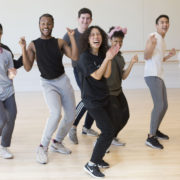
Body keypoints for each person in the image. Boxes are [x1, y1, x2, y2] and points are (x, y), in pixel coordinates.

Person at [19, 14, 78, 164]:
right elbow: (27, 67)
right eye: (43, 23)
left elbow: (75, 57)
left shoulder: (59, 42)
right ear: (39, 25)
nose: (46, 26)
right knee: (56, 113)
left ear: (53, 25)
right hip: (47, 83)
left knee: (71, 116)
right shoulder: (33, 45)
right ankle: (42, 146)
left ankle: (57, 142)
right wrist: (23, 48)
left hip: (62, 81)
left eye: (49, 24)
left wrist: (72, 38)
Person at [77, 26, 119, 178]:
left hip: (103, 97)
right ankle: (91, 164)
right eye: (92, 34)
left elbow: (106, 74)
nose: (96, 37)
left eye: (99, 34)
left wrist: (108, 58)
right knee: (107, 131)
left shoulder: (102, 55)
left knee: (110, 129)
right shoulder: (84, 57)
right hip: (92, 100)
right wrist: (107, 58)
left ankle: (99, 158)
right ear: (88, 39)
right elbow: (96, 76)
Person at [63, 8, 98, 145]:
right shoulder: (72, 33)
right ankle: (73, 126)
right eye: (82, 18)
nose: (85, 21)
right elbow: (62, 48)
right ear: (78, 19)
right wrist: (73, 57)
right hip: (79, 70)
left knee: (95, 97)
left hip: (92, 70)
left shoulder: (92, 33)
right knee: (87, 97)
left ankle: (87, 127)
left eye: (88, 18)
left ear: (91, 20)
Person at [144, 14, 176, 149]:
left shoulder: (162, 39)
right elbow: (146, 55)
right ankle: (151, 137)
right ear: (157, 25)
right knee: (159, 105)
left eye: (166, 22)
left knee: (165, 105)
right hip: (152, 75)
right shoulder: (153, 36)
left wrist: (169, 55)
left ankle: (155, 130)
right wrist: (151, 45)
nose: (165, 24)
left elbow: (159, 59)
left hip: (159, 75)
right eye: (162, 22)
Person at [107, 26, 138, 146]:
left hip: (118, 91)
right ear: (110, 41)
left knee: (125, 116)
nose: (118, 44)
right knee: (115, 117)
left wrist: (131, 63)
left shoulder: (120, 58)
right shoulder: (106, 54)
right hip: (108, 93)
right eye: (115, 41)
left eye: (120, 41)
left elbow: (123, 76)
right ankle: (107, 138)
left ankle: (112, 137)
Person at [0, 23, 18, 159]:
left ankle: (3, 146)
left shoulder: (6, 53)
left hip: (8, 90)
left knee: (11, 116)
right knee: (3, 119)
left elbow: (10, 75)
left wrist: (12, 73)